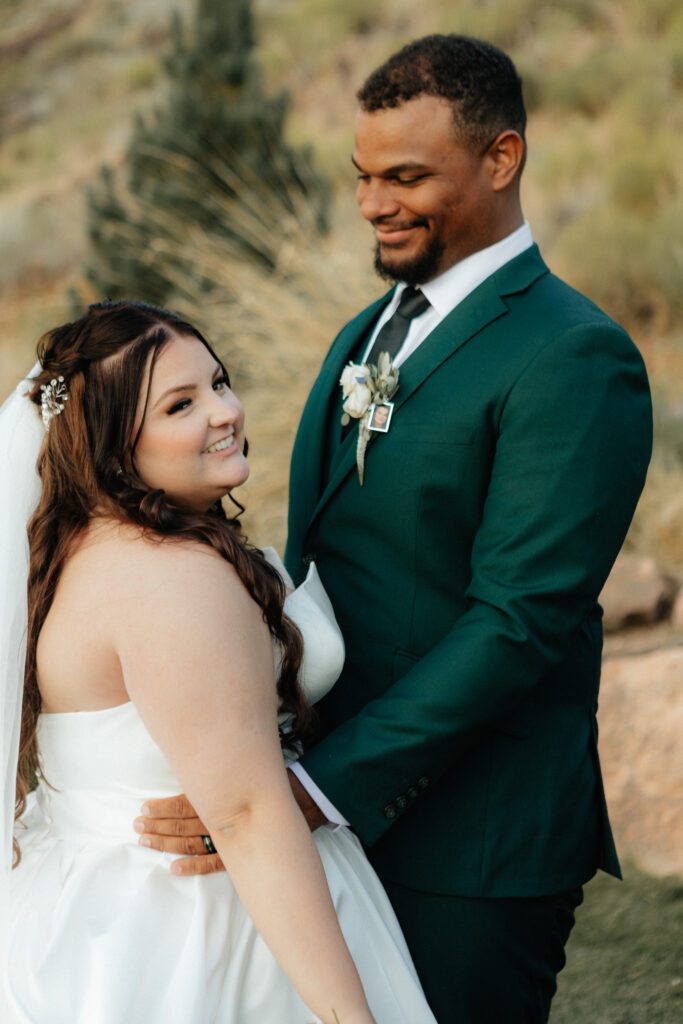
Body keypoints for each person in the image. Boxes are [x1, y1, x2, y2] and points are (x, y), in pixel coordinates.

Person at [139, 35, 653, 1022]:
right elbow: (323, 558)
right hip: (342, 796)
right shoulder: (369, 328)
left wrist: (311, 788)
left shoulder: (573, 356)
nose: (373, 202)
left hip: (474, 833)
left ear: (500, 159)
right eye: (364, 176)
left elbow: (517, 622)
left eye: (406, 176)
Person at [0, 301, 437, 1023]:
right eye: (181, 404)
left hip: (88, 913)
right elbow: (244, 817)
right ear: (114, 447)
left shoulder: (82, 550)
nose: (224, 410)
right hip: (204, 923)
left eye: (219, 382)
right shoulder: (171, 577)